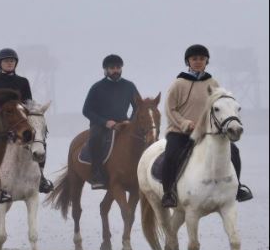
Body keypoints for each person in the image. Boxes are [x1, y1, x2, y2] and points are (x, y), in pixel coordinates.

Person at [161, 44, 253, 208]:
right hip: (181, 132)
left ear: (207, 61)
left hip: (207, 133)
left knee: (234, 151)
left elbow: (221, 106)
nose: (198, 61)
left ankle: (238, 188)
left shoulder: (213, 82)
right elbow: (170, 109)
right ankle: (168, 193)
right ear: (188, 61)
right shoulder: (178, 83)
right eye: (194, 58)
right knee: (170, 156)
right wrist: (185, 123)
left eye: (202, 59)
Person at [0, 48, 54, 202]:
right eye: (6, 61)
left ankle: (41, 177)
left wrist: (36, 110)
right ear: (0, 64)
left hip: (19, 120)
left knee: (39, 142)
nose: (10, 63)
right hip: (1, 122)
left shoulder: (23, 82)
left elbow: (28, 102)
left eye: (12, 61)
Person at [83, 54, 139, 190]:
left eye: (118, 67)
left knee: (141, 139)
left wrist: (130, 122)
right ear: (105, 70)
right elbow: (87, 110)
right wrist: (105, 122)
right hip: (101, 125)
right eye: (112, 68)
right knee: (95, 139)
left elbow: (138, 107)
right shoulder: (97, 87)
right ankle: (97, 174)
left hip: (124, 124)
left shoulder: (129, 86)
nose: (115, 70)